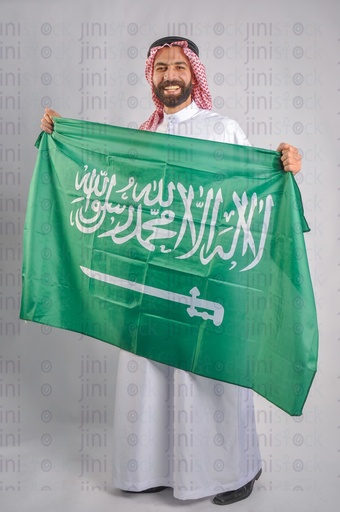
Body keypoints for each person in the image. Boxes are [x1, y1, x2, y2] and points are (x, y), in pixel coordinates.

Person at [41, 36, 301, 505]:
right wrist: (62, 135)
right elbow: (110, 190)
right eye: (161, 68)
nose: (170, 75)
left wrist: (284, 166)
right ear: (152, 77)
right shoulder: (141, 139)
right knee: (152, 372)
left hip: (210, 279)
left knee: (211, 376)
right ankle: (158, 470)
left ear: (193, 73)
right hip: (153, 280)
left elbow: (254, 193)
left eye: (178, 66)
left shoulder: (221, 129)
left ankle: (236, 472)